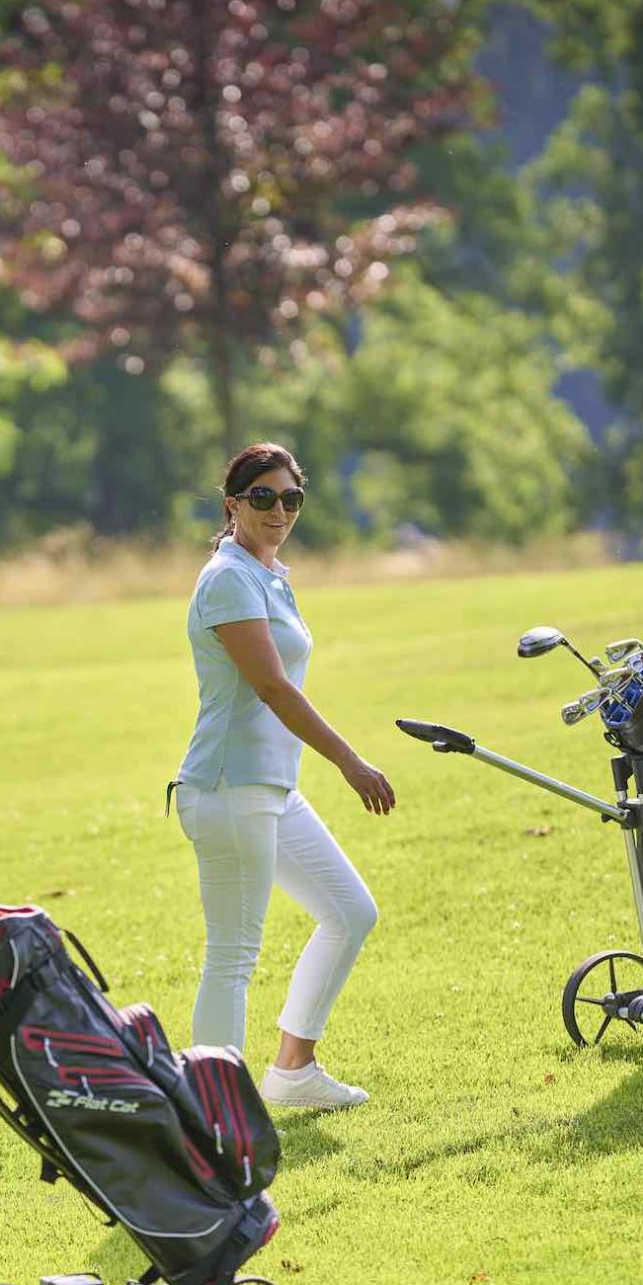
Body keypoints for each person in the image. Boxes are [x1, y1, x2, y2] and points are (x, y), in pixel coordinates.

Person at [172, 443, 392, 1111]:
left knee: (350, 911)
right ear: (232, 503)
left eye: (291, 498)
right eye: (263, 497)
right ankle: (215, 1109)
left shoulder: (267, 573)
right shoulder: (228, 578)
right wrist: (350, 760)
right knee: (234, 955)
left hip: (268, 788)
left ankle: (293, 1071)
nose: (279, 510)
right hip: (226, 787)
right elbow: (269, 685)